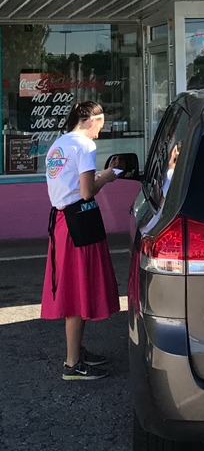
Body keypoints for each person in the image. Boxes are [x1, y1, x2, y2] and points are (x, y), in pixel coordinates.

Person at [41, 101, 119, 381]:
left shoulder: (58, 145)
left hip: (61, 221)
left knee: (74, 289)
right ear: (90, 121)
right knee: (78, 292)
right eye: (101, 124)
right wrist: (106, 178)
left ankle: (77, 353)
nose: (102, 130)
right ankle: (72, 364)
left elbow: (68, 184)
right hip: (79, 223)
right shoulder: (85, 146)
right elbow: (87, 193)